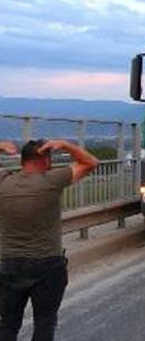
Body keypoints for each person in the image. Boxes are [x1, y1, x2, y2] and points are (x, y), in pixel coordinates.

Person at [0, 139, 98, 341]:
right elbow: (91, 163)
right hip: (47, 266)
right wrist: (65, 145)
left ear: (22, 160)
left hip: (8, 265)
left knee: (8, 324)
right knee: (44, 322)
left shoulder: (4, 181)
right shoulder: (53, 180)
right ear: (46, 160)